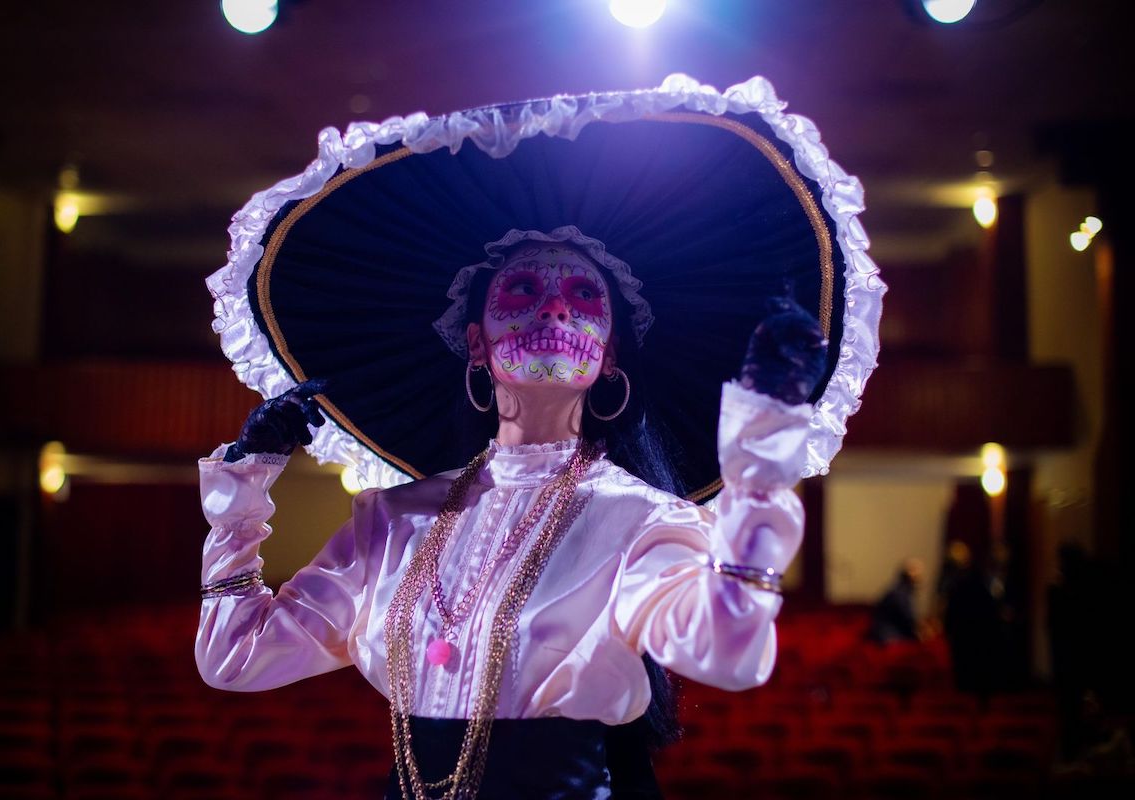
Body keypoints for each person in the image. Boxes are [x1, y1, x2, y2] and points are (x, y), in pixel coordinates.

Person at [193, 76, 885, 799]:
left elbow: (732, 654)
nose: (554, 309)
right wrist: (246, 490)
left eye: (584, 297)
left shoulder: (640, 521)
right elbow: (234, 657)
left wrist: (763, 447)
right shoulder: (391, 521)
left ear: (609, 355)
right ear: (476, 342)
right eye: (523, 291)